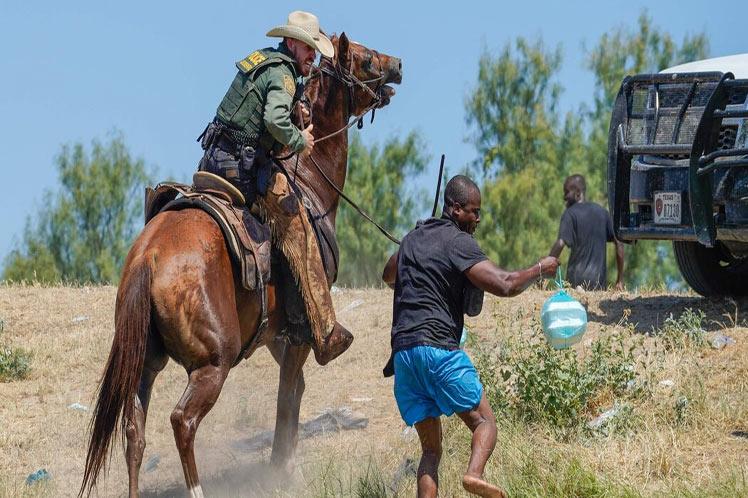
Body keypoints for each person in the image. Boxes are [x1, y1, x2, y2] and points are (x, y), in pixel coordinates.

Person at [382, 175, 559, 498]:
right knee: (484, 423)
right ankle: (474, 474)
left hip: (404, 358)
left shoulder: (412, 238)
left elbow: (388, 275)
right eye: (473, 212)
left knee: (430, 452)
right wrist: (539, 269)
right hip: (438, 350)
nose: (477, 219)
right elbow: (505, 283)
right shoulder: (459, 243)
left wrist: (418, 254)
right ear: (454, 208)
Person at [196, 11, 352, 365]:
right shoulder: (283, 73)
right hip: (244, 170)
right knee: (298, 223)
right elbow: (273, 120)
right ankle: (325, 331)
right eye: (310, 49)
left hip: (213, 162)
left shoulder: (262, 62)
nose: (313, 56)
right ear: (293, 43)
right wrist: (300, 141)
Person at [549, 174, 624, 290]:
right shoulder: (603, 213)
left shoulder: (570, 214)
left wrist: (543, 271)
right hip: (598, 285)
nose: (564, 197)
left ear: (578, 193)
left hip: (575, 282)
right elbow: (619, 242)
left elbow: (560, 243)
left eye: (567, 192)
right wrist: (620, 279)